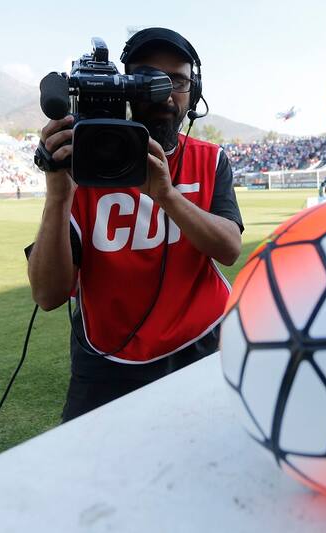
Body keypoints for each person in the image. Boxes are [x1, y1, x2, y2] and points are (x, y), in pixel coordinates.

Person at [26, 28, 243, 422]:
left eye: (177, 81)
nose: (162, 91)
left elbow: (229, 249)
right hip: (108, 357)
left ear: (194, 93)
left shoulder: (211, 159)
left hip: (200, 344)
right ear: (124, 87)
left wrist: (167, 195)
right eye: (146, 77)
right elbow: (47, 294)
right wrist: (58, 194)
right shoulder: (85, 161)